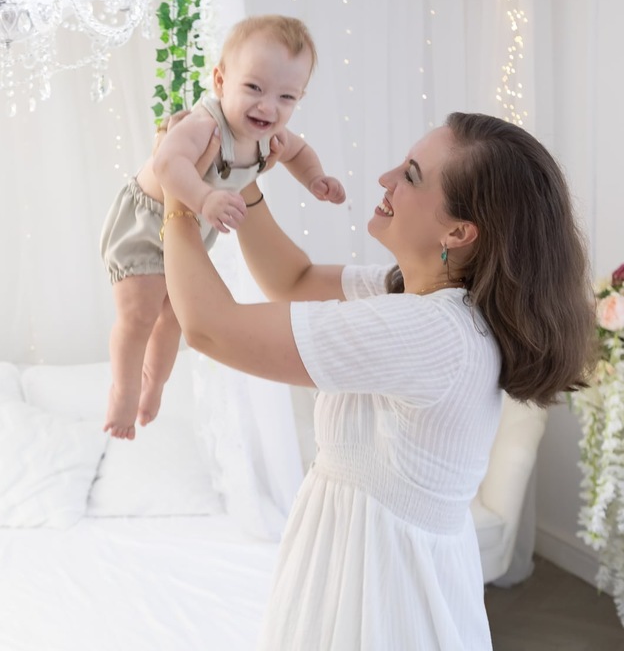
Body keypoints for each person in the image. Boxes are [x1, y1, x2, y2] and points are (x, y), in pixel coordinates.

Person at [157, 111, 596, 648]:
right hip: (354, 562)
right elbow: (290, 280)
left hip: (385, 592)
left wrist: (177, 193)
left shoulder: (431, 330)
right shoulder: (412, 294)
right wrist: (239, 176)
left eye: (410, 175)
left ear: (458, 232)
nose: (387, 179)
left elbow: (210, 330)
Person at [100, 15, 345, 439]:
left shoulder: (272, 136)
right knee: (139, 314)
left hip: (189, 229)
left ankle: (154, 383)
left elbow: (299, 153)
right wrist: (206, 198)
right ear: (220, 80)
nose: (268, 107)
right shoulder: (205, 124)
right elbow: (167, 162)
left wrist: (316, 179)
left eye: (286, 96)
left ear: (299, 98)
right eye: (254, 88)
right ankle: (123, 391)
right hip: (146, 219)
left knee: (174, 314)